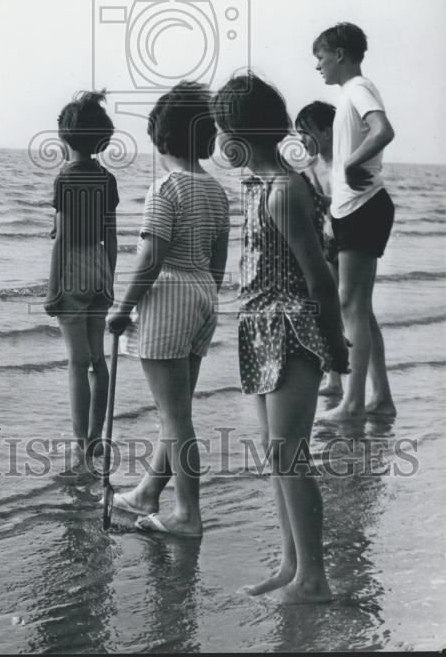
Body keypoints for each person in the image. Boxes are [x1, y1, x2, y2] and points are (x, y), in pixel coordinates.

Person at [212, 73, 350, 603]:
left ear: (240, 134)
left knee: (290, 453)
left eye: (222, 130)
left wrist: (335, 346)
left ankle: (314, 577)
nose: (219, 141)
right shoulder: (259, 186)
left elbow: (319, 277)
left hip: (292, 329)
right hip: (261, 328)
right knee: (277, 454)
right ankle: (291, 564)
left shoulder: (284, 191)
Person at [107, 82, 229, 538]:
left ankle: (187, 514)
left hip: (170, 298)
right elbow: (217, 262)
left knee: (175, 417)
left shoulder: (165, 188)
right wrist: (203, 298)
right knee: (176, 410)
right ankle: (147, 493)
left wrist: (123, 308)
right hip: (203, 296)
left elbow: (152, 257)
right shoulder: (216, 191)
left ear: (161, 139)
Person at [313, 22, 397, 420]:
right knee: (360, 309)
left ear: (340, 54)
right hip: (355, 208)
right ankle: (380, 399)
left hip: (364, 206)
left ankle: (352, 403)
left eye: (321, 57)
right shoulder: (351, 92)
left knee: (350, 304)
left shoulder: (357, 88)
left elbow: (383, 130)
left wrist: (349, 164)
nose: (318, 66)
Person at [44, 91, 118, 474]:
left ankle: (80, 446)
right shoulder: (107, 178)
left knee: (76, 363)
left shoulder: (65, 178)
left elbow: (63, 239)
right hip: (99, 266)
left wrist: (53, 288)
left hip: (72, 267)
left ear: (64, 137)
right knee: (97, 359)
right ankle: (97, 436)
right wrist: (109, 280)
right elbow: (111, 235)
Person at [294, 101, 343, 397]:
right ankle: (333, 379)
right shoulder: (312, 166)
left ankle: (339, 379)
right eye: (298, 133)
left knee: (346, 308)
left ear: (327, 132)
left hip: (348, 238)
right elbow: (315, 206)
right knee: (328, 308)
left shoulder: (343, 163)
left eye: (306, 132)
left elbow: (346, 202)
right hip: (327, 240)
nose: (301, 139)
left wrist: (317, 200)